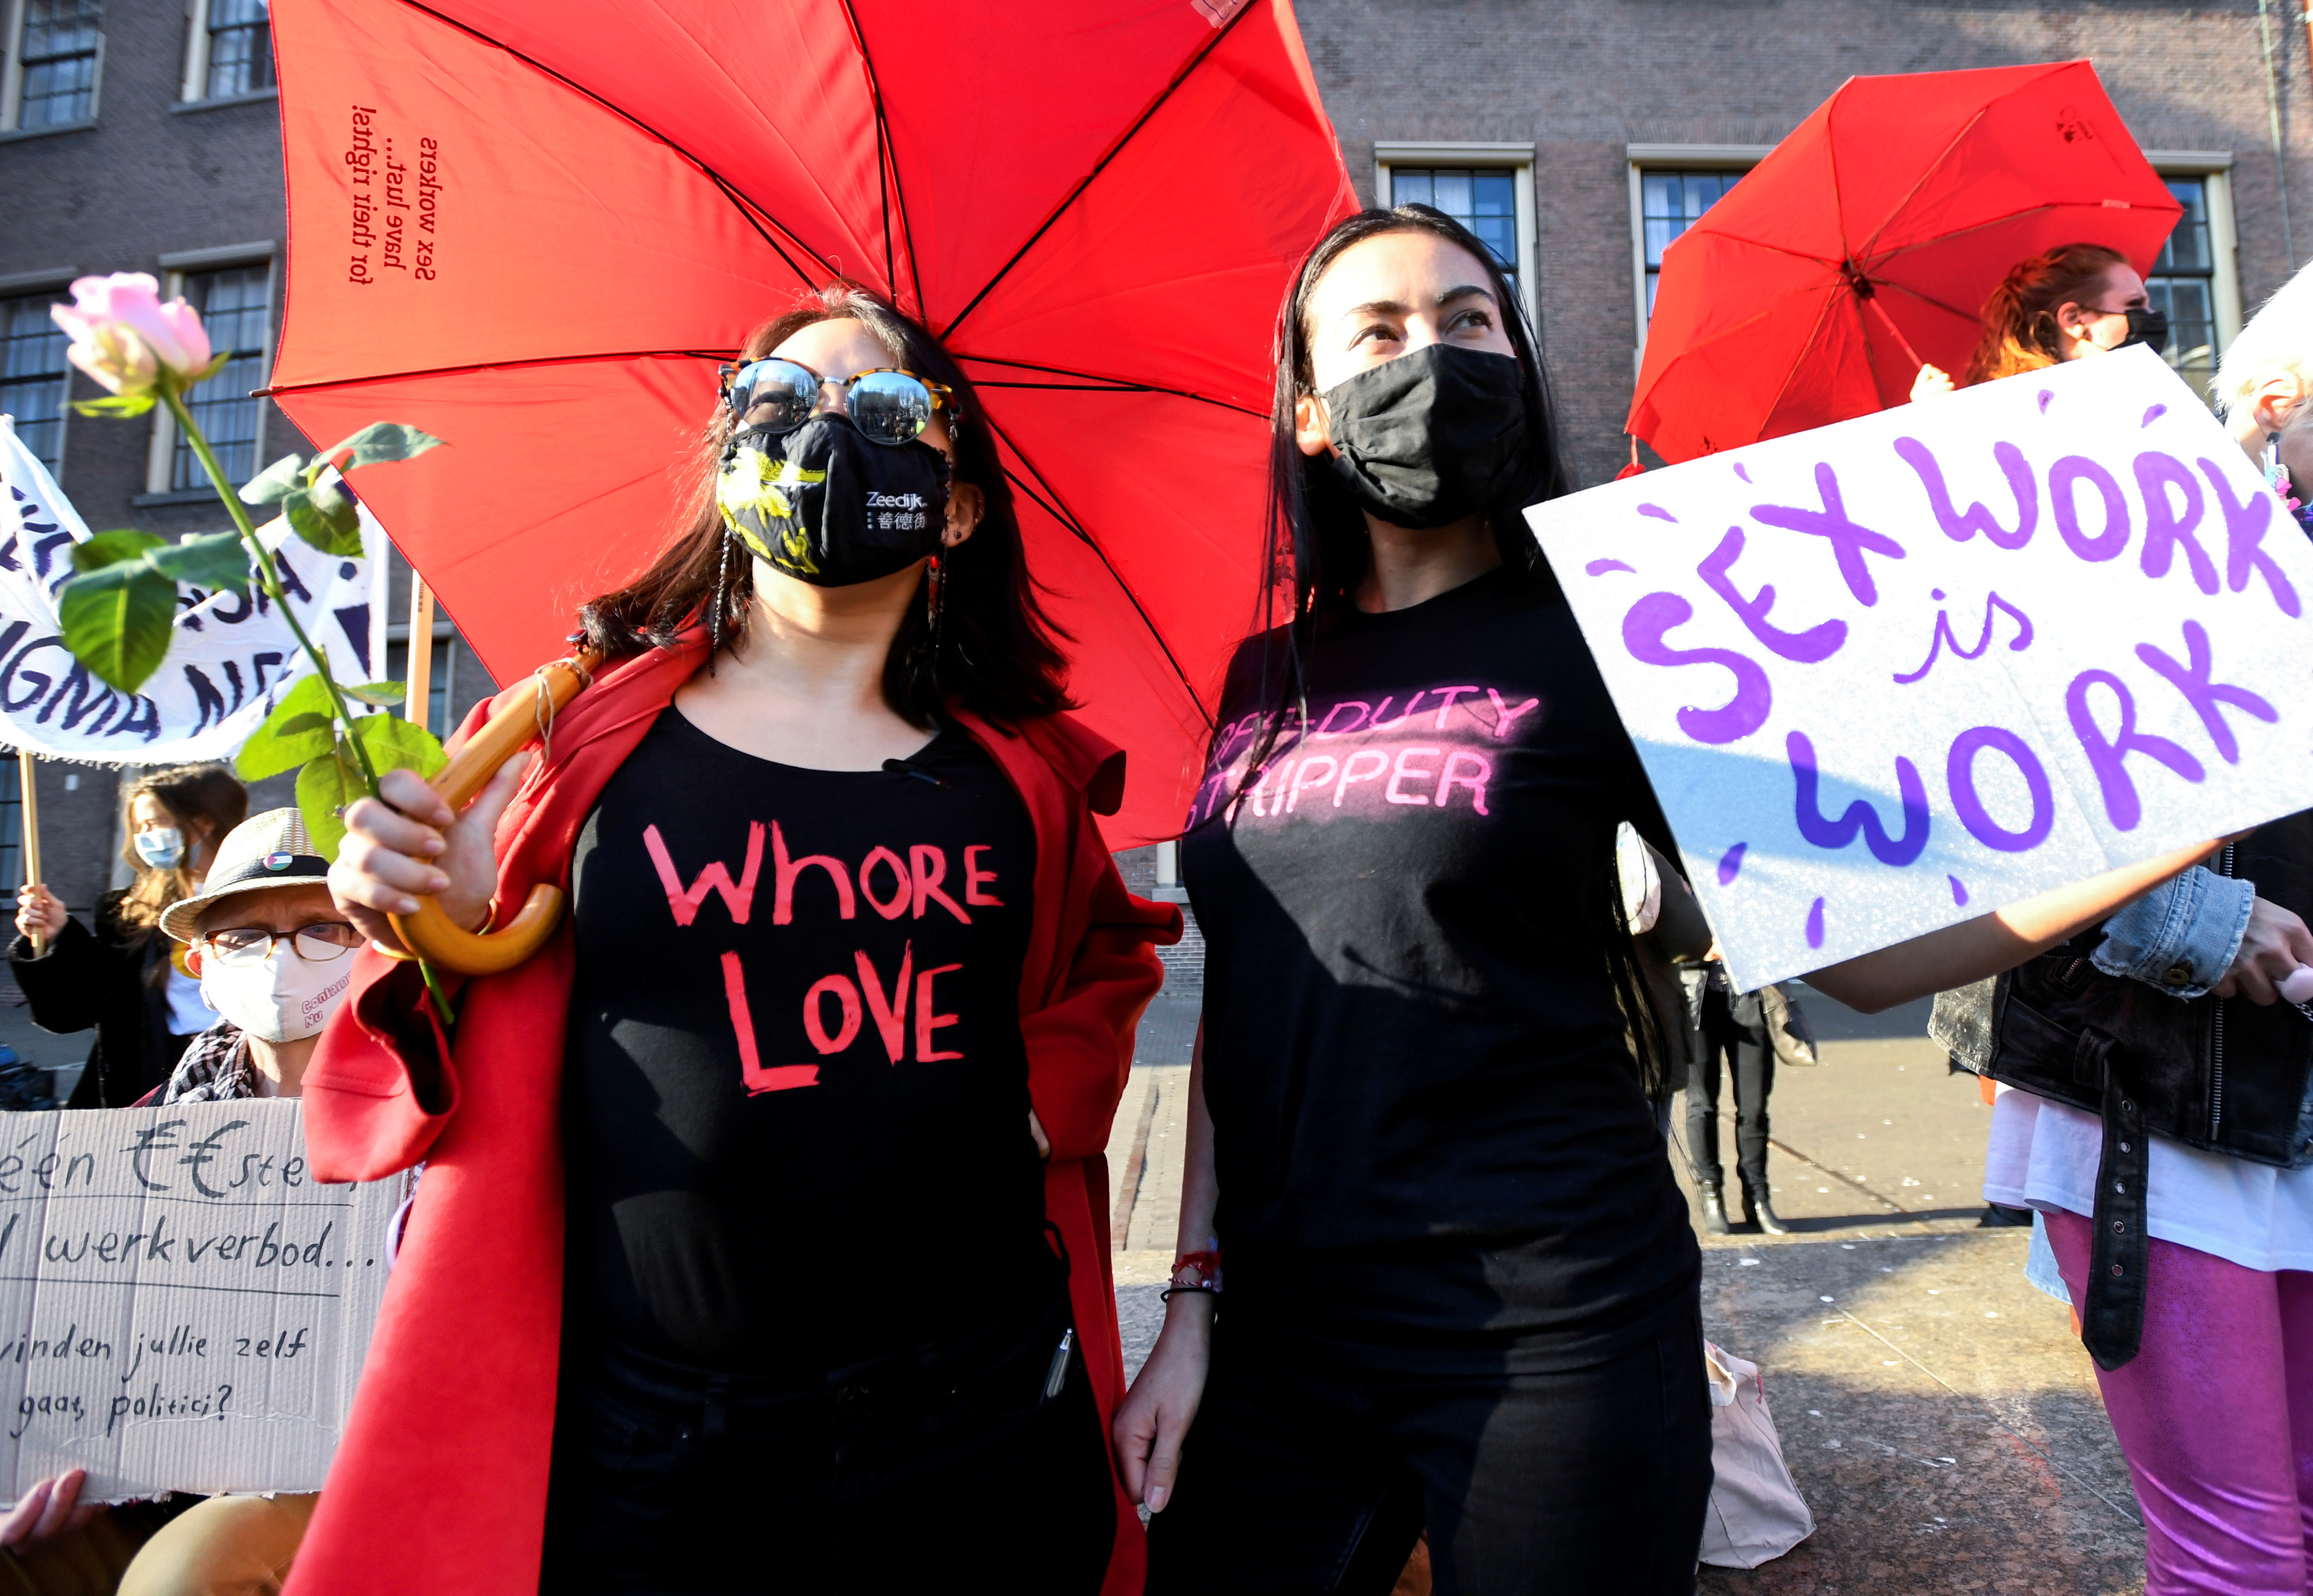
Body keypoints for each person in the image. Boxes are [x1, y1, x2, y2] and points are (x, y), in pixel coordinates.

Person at [1112, 203, 2232, 1596]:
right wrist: (1191, 1299)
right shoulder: (1259, 673)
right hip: (1286, 1326)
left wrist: (2174, 824)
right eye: (1379, 333)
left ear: (1515, 372)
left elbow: (1863, 962)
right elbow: (1251, 1009)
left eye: (1468, 322)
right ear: (1309, 415)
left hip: (1551, 1320)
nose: (1432, 356)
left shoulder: (1619, 634)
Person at [308, 281, 1176, 1596]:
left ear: (954, 501)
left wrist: (1031, 1103)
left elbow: (1102, 971)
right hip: (662, 1458)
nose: (823, 430)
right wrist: (417, 908)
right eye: (774, 400)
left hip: (984, 1420)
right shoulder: (565, 743)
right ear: (724, 464)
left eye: (881, 405)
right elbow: (449, 1003)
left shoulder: (1024, 774)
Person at [101, 806, 356, 1596]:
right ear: (200, 960)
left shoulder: (439, 1109)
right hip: (177, 1467)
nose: (281, 959)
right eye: (243, 935)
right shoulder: (147, 1133)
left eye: (321, 926)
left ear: (376, 941)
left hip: (359, 1468)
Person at [10, 763, 246, 1107]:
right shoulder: (128, 913)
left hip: (244, 1069)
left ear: (204, 822)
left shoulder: (263, 900)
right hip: (151, 1077)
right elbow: (71, 1012)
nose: (145, 837)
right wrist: (57, 937)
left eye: (154, 823)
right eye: (139, 827)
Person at [1909, 241, 2167, 399]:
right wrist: (1933, 426)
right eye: (2134, 304)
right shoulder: (2008, 417)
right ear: (2075, 320)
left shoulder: (2144, 399)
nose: (2153, 315)